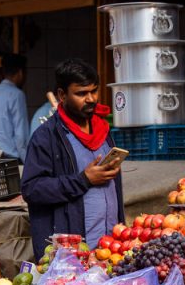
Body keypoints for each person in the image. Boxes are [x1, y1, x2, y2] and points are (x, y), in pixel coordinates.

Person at [22, 59, 125, 260]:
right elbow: (32, 189)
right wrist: (83, 180)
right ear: (62, 95)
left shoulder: (103, 131)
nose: (91, 99)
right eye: (81, 93)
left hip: (110, 250)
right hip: (72, 255)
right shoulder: (46, 137)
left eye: (94, 91)